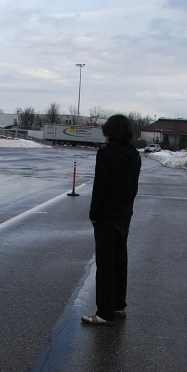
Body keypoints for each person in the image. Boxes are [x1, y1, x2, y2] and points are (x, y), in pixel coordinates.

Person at [81, 114, 142, 326]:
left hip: (106, 217)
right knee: (120, 261)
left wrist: (94, 215)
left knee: (105, 265)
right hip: (124, 215)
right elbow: (133, 187)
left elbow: (100, 188)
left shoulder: (106, 153)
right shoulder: (134, 155)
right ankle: (119, 305)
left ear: (110, 130)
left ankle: (104, 312)